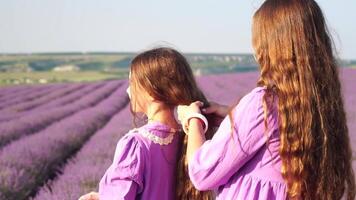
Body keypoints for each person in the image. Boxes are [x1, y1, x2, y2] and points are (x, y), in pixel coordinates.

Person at [177, 0, 356, 199]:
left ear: (271, 45)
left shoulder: (263, 104)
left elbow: (203, 173)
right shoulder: (321, 108)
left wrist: (193, 119)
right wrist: (233, 115)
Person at [78, 47, 214, 200]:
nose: (128, 90)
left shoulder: (136, 145)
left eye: (132, 82)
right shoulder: (191, 138)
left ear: (151, 91)